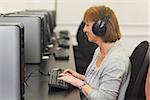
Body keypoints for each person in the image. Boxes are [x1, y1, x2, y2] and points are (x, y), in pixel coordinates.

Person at [58, 5, 131, 100]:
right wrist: (78, 77)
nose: (84, 30)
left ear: (99, 28)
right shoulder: (100, 50)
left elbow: (104, 98)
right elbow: (99, 82)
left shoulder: (116, 61)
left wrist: (78, 83)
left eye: (87, 25)